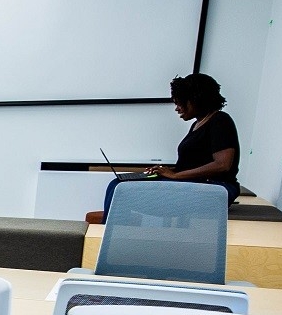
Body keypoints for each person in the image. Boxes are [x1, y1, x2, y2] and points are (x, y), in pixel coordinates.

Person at [87, 72, 241, 224]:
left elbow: (223, 164)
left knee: (121, 190)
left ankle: (112, 236)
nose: (177, 108)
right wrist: (166, 171)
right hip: (195, 184)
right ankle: (114, 235)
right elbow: (195, 162)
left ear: (195, 100)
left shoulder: (220, 121)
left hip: (214, 189)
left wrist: (175, 176)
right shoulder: (197, 124)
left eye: (180, 102)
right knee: (117, 184)